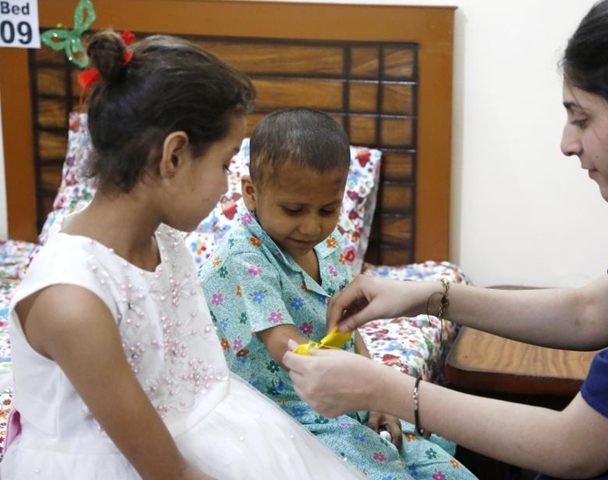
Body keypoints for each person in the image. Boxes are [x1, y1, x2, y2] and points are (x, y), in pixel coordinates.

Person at [282, 0, 608, 479]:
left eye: (582, 117)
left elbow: (575, 446)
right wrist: (430, 295)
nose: (566, 144)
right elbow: (589, 311)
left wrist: (386, 388)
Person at [2, 32, 364, 480]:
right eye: (225, 163)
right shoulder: (72, 302)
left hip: (213, 424)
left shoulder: (164, 240)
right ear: (174, 156)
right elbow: (166, 471)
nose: (229, 183)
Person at [200, 108, 477, 480]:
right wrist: (354, 384)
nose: (312, 225)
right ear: (251, 192)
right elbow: (281, 341)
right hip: (294, 408)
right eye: (294, 209)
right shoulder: (243, 257)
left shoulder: (328, 241)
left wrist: (376, 394)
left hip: (344, 390)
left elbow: (348, 322)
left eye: (328, 209)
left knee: (445, 468)